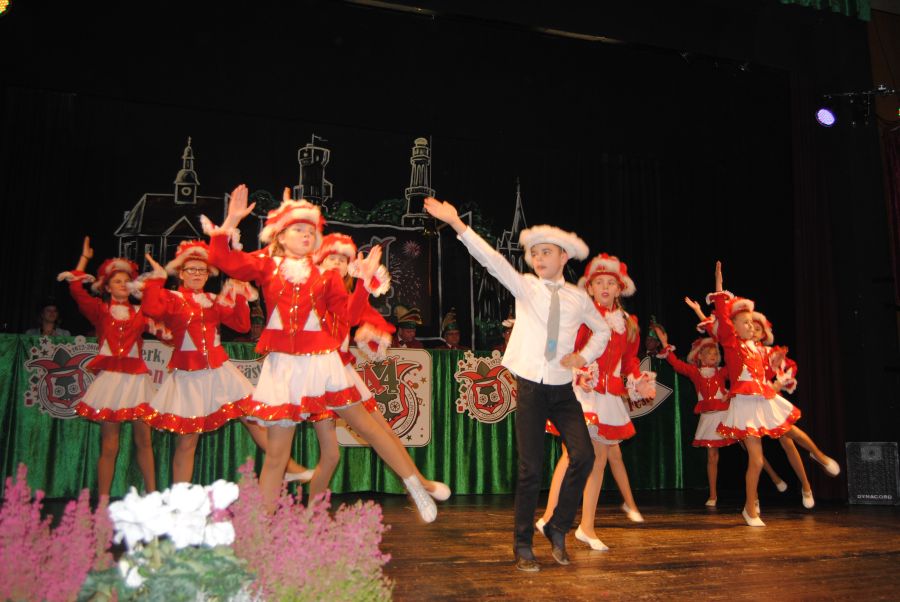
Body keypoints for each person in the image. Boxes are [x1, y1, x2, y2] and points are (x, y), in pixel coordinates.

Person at [205, 184, 437, 522]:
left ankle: (415, 486)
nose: (306, 234)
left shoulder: (325, 276)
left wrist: (363, 284)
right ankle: (260, 527)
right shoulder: (266, 265)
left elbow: (348, 316)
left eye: (310, 230)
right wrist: (229, 223)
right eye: (298, 229)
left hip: (323, 362)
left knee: (370, 428)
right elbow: (222, 260)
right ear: (280, 235)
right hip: (283, 367)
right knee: (276, 456)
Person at [425, 196, 610, 572]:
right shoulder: (526, 286)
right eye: (534, 253)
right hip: (530, 386)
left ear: (563, 257)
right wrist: (457, 224)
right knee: (530, 468)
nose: (538, 258)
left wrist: (583, 356)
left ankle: (557, 526)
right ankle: (522, 544)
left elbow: (603, 330)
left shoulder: (578, 298)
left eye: (546, 252)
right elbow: (492, 260)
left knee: (585, 456)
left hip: (562, 389)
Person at [312, 232, 450, 502]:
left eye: (342, 259)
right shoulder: (314, 290)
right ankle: (306, 509)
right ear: (319, 261)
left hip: (340, 372)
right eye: (331, 258)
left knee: (374, 435)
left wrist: (372, 328)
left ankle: (420, 483)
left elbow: (355, 314)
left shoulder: (344, 295)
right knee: (335, 452)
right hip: (317, 375)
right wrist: (364, 285)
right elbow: (350, 315)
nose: (337, 263)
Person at [538, 253, 655, 552]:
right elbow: (567, 349)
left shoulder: (629, 324)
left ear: (620, 289)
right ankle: (549, 516)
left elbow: (629, 361)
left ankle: (586, 527)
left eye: (610, 283)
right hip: (582, 393)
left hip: (609, 396)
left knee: (599, 459)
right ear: (589, 288)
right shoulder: (582, 317)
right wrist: (578, 372)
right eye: (599, 282)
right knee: (571, 454)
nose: (604, 287)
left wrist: (637, 379)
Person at [708, 261, 839, 527]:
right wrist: (719, 289)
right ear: (734, 326)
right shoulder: (731, 344)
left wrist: (776, 367)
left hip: (764, 399)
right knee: (756, 460)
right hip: (746, 404)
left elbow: (769, 372)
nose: (750, 326)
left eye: (752, 323)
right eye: (745, 323)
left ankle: (819, 456)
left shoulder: (758, 350)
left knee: (794, 432)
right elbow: (722, 318)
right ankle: (750, 509)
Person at [141, 241, 255, 483]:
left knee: (253, 417)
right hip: (189, 375)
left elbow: (242, 325)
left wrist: (240, 296)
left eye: (202, 270)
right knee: (187, 441)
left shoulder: (213, 300)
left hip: (218, 370)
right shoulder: (172, 298)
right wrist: (157, 279)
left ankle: (287, 468)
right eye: (191, 269)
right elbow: (151, 309)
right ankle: (181, 498)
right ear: (181, 274)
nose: (197, 274)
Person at [57, 236, 156, 497]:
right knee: (110, 445)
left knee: (144, 441)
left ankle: (153, 495)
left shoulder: (141, 312)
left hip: (137, 380)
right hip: (111, 380)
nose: (123, 285)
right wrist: (84, 259)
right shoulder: (100, 310)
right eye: (117, 281)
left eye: (126, 281)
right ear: (108, 287)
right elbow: (76, 290)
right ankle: (102, 501)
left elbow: (163, 316)